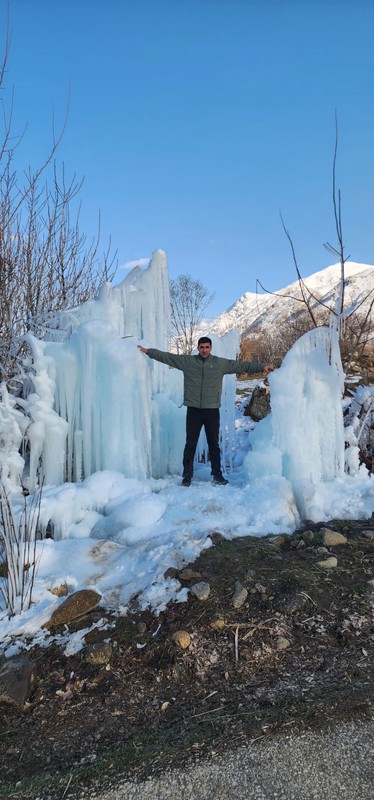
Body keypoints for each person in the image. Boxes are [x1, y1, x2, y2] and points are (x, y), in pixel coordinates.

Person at [138, 337, 272, 486]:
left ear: (211, 347)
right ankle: (187, 476)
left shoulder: (220, 364)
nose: (204, 350)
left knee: (213, 444)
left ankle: (217, 475)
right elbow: (167, 357)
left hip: (212, 411)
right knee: (190, 444)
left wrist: (262, 367)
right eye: (202, 347)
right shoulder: (188, 362)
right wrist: (148, 351)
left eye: (207, 347)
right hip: (194, 410)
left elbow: (241, 365)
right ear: (198, 347)